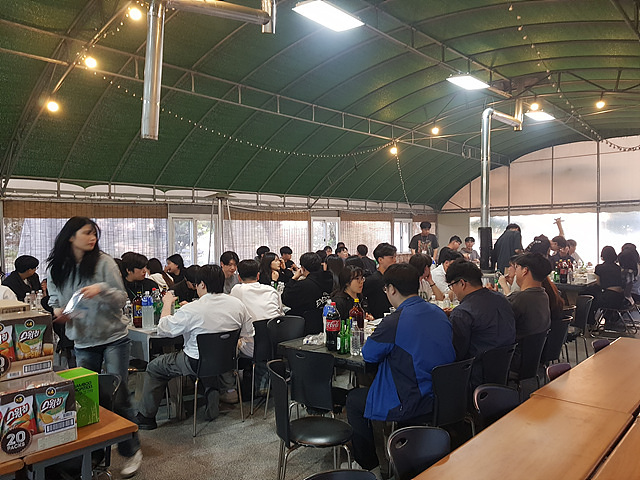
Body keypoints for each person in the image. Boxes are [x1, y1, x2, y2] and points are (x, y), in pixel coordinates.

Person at [46, 217, 142, 477]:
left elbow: (121, 297)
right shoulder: (57, 268)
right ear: (70, 236)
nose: (92, 238)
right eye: (87, 233)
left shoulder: (104, 262)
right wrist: (60, 312)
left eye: (95, 234)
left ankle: (131, 449)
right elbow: (55, 301)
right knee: (87, 399)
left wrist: (100, 289)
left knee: (119, 393)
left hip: (114, 338)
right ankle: (94, 454)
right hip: (83, 341)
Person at [346, 263, 455, 476]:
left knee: (354, 400)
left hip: (412, 399)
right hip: (443, 395)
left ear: (392, 289)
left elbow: (369, 354)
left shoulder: (394, 322)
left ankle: (370, 467)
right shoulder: (438, 312)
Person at [134, 265, 253, 430]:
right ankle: (212, 408)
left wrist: (167, 303)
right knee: (208, 366)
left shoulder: (192, 308)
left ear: (202, 284)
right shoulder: (237, 304)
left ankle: (146, 418)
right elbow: (248, 332)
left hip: (195, 362)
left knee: (155, 367)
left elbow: (163, 329)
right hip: (227, 361)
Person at [445, 259, 516, 388]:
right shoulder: (501, 299)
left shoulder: (463, 313)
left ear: (462, 283)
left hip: (475, 376)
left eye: (452, 286)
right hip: (503, 370)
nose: (453, 291)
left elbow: (457, 353)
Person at [230, 260, 283, 358]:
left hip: (252, 349)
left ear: (239, 277)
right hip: (276, 346)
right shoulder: (271, 290)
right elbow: (280, 314)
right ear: (258, 276)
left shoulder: (237, 290)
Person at [507, 253, 552, 369]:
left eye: (517, 267)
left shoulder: (520, 298)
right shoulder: (544, 295)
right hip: (533, 360)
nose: (515, 272)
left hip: (513, 361)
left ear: (525, 271)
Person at [584, 246, 626, 328]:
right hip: (620, 298)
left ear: (602, 256)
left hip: (609, 298)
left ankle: (591, 323)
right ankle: (608, 319)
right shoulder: (618, 268)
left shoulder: (599, 268)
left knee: (589, 299)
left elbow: (598, 284)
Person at [281, 252, 333, 317]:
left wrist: (294, 278)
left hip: (305, 319)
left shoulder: (303, 285)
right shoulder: (329, 278)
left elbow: (286, 299)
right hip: (325, 316)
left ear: (303, 268)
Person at [362, 243, 397, 319]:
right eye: (391, 258)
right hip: (377, 319)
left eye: (395, 257)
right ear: (380, 260)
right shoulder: (373, 280)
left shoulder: (393, 278)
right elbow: (361, 297)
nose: (395, 260)